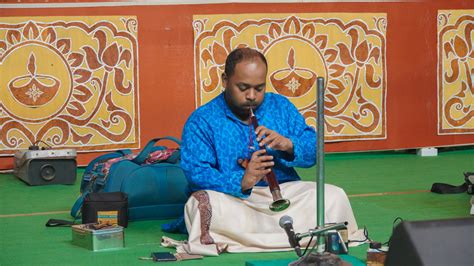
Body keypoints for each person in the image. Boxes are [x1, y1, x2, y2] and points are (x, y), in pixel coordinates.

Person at [178, 48, 361, 255]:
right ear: (225, 80)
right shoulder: (202, 120)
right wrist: (242, 181)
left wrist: (288, 145)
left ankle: (251, 238)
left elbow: (314, 150)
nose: (251, 96)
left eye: (259, 88)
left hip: (285, 193)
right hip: (236, 200)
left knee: (334, 196)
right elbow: (196, 173)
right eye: (243, 87)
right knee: (201, 203)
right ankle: (299, 234)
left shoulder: (280, 106)